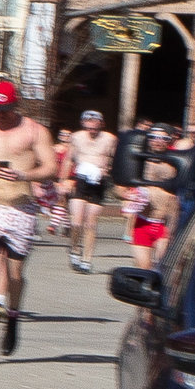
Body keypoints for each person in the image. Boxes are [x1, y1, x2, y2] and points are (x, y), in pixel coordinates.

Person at [0, 80, 57, 362]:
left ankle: (13, 318)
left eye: (4, 109)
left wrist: (23, 175)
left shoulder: (35, 131)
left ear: (15, 105)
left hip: (21, 207)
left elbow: (51, 167)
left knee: (14, 275)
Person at [61, 109, 116, 273]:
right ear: (84, 123)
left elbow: (116, 161)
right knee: (76, 222)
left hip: (98, 181)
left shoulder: (110, 139)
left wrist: (108, 170)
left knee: (91, 223)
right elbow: (68, 160)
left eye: (95, 126)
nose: (92, 129)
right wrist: (63, 181)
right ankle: (75, 248)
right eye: (89, 126)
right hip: (81, 180)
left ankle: (87, 260)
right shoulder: (76, 137)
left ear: (101, 124)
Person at [129, 124, 183, 270]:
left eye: (163, 138)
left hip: (165, 224)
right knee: (143, 270)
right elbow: (119, 187)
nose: (158, 141)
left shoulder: (177, 162)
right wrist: (128, 195)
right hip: (142, 222)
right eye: (153, 137)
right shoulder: (139, 161)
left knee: (163, 271)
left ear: (170, 140)